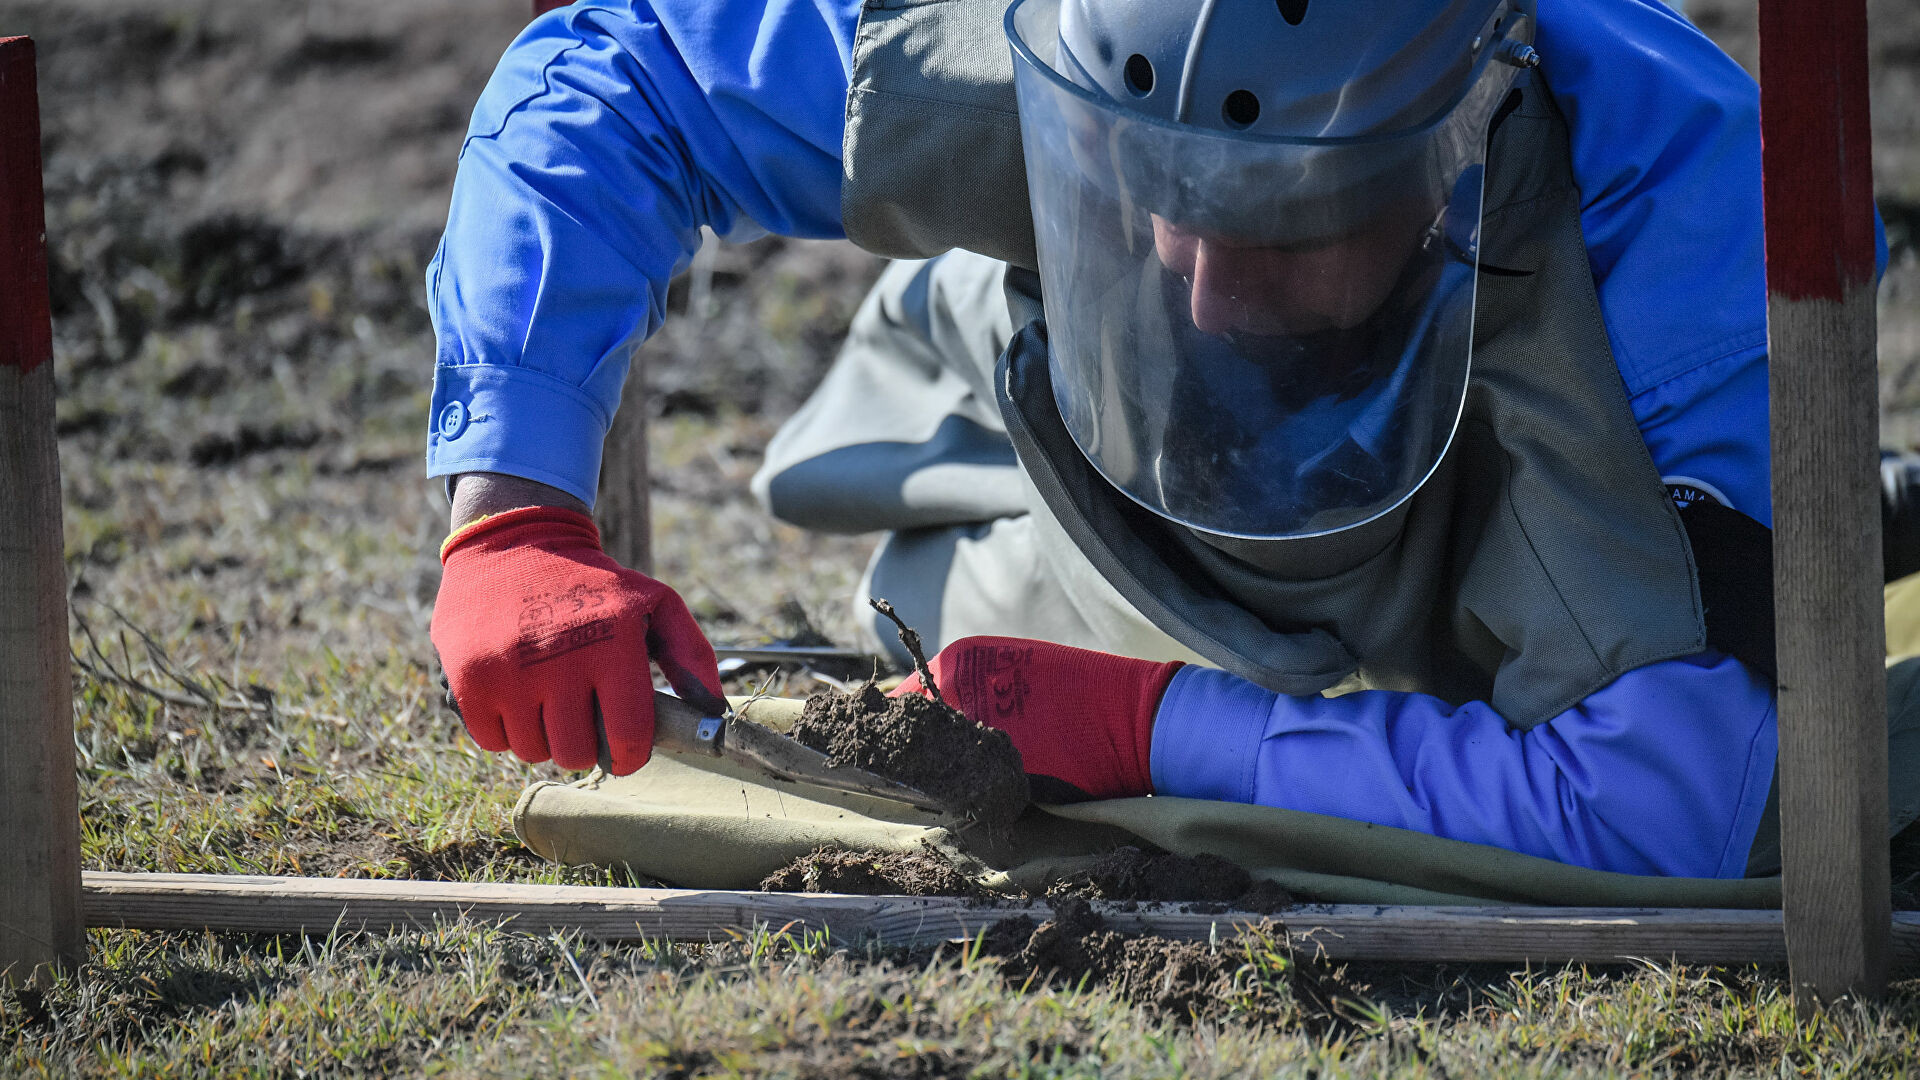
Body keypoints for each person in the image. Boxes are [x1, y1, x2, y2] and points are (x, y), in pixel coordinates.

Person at [425, 0, 1891, 879]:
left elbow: (1675, 800)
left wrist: (1159, 732)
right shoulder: (1045, 48)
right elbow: (609, 73)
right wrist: (515, 514)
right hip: (1074, 473)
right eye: (1160, 203)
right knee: (931, 613)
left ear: (1452, 146)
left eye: (1283, 228)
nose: (1202, 279)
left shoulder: (1691, 239)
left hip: (1487, 524)